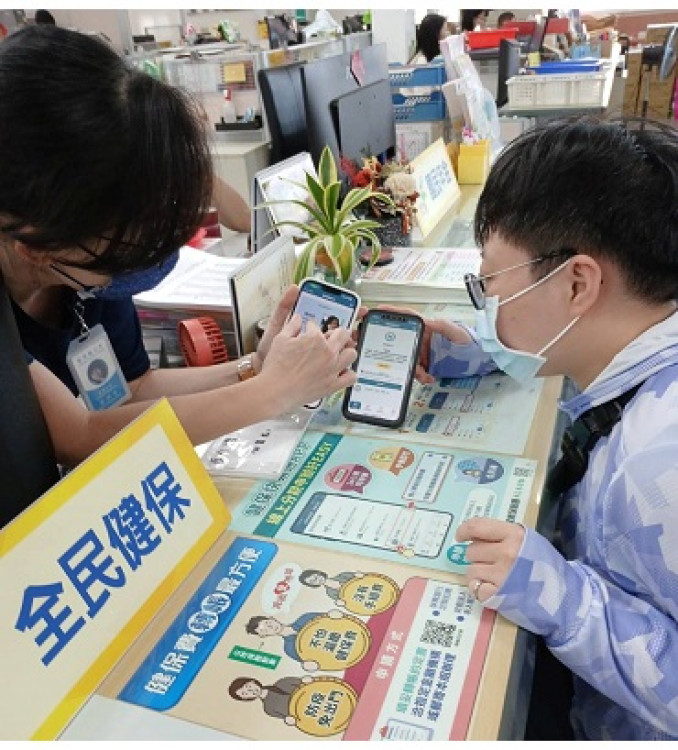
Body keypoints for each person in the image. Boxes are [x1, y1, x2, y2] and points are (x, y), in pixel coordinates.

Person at [0, 25, 357, 524]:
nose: (144, 256)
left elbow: (134, 387)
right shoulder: (77, 245)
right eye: (127, 245)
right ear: (36, 247)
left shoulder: (85, 264)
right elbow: (79, 434)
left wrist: (253, 367)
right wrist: (270, 392)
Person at [412, 116, 678, 740]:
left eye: (489, 284)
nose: (487, 303)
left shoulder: (658, 465)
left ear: (578, 283)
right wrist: (485, 348)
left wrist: (559, 595)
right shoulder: (640, 337)